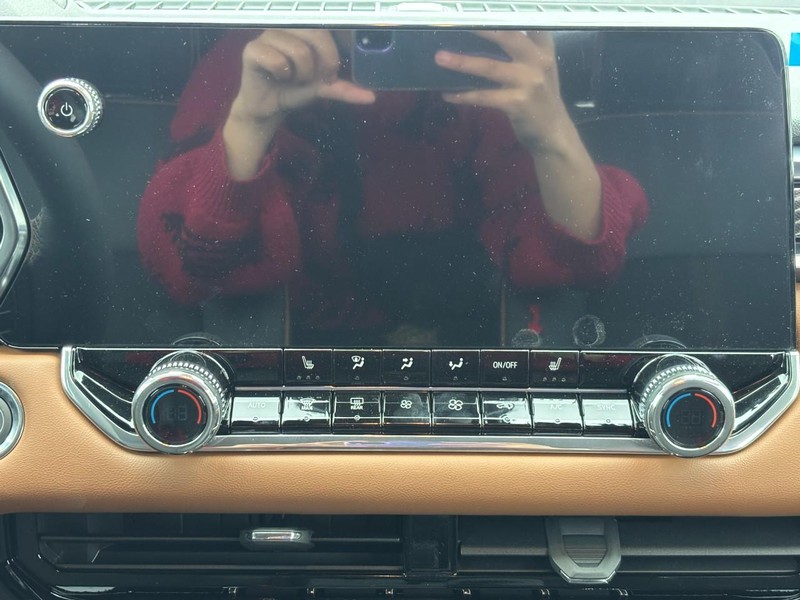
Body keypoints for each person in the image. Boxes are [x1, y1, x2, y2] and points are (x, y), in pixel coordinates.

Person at [138, 29, 648, 345]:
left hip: (470, 352)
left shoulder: (494, 60)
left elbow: (580, 269)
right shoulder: (257, 54)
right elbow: (189, 270)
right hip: (291, 353)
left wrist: (552, 133)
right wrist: (251, 123)